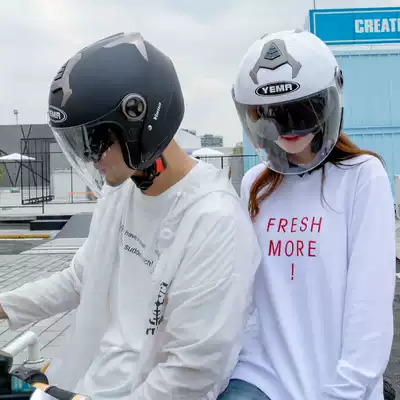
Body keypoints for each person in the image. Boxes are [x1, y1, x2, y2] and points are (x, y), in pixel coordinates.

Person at [0, 32, 261, 400]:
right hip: (89, 381)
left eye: (95, 141)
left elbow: (192, 372)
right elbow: (78, 280)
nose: (90, 158)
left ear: (140, 122)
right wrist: (4, 305)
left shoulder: (213, 220)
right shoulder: (121, 192)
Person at [218, 29, 396, 400]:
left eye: (301, 109)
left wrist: (348, 388)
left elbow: (370, 305)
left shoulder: (361, 177)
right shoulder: (255, 185)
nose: (287, 126)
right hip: (262, 377)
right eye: (270, 115)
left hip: (337, 379)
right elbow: (244, 293)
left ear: (326, 105)